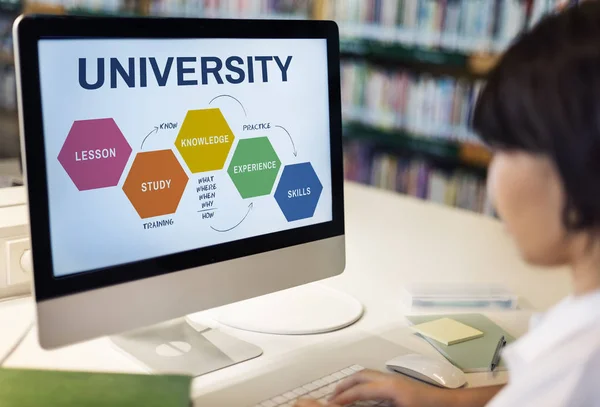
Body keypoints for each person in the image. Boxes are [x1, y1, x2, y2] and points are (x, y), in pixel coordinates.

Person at [294, 2, 600, 406]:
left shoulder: (577, 364)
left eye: (504, 150)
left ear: (576, 160)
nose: (495, 178)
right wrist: (453, 402)